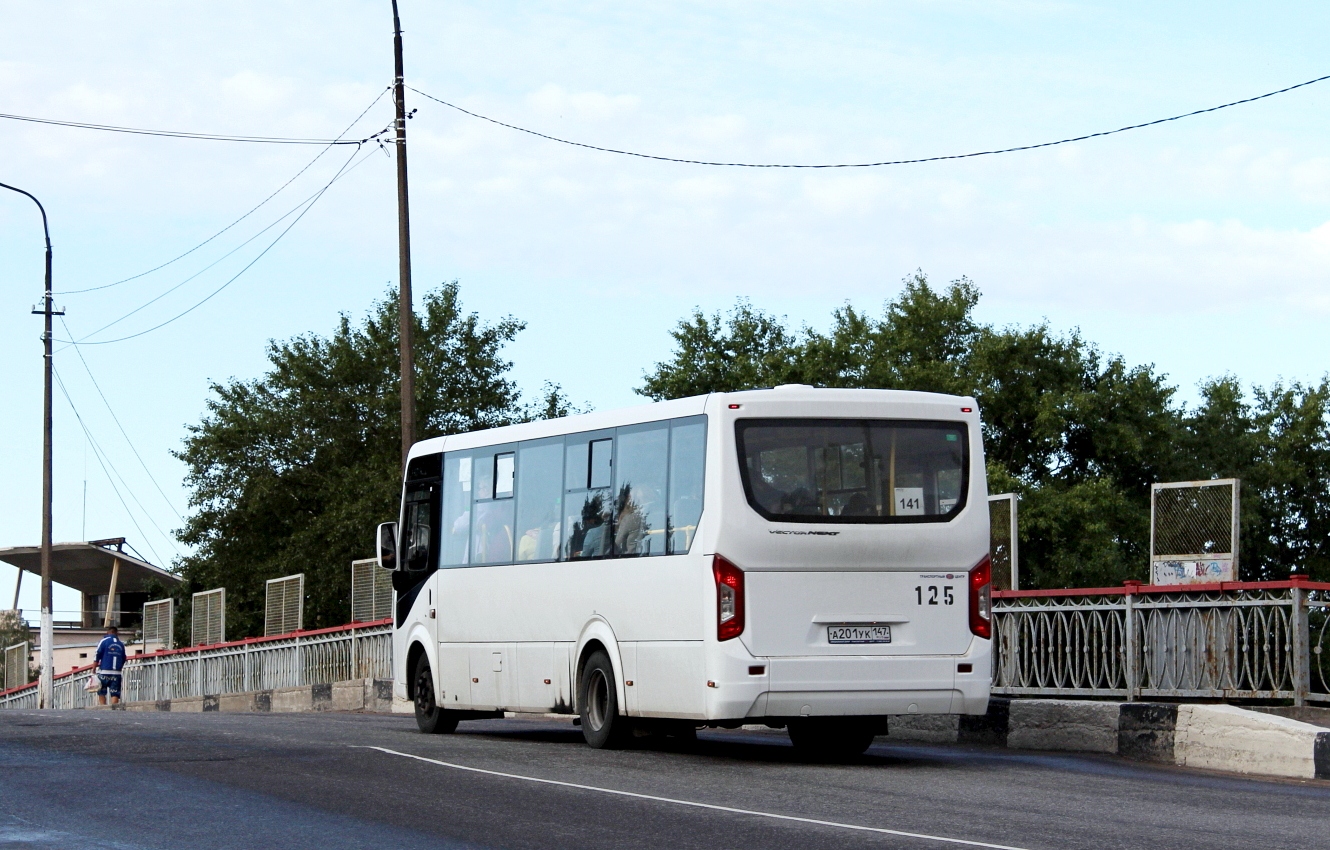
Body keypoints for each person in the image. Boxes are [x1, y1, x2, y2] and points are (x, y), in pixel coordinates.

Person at [94, 625, 127, 706]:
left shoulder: (103, 641)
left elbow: (97, 654)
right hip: (117, 673)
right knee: (115, 692)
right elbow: (124, 658)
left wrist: (94, 667)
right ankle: (114, 709)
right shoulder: (121, 644)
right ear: (116, 633)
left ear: (108, 632)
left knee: (101, 691)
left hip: (104, 671)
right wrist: (120, 668)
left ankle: (103, 707)